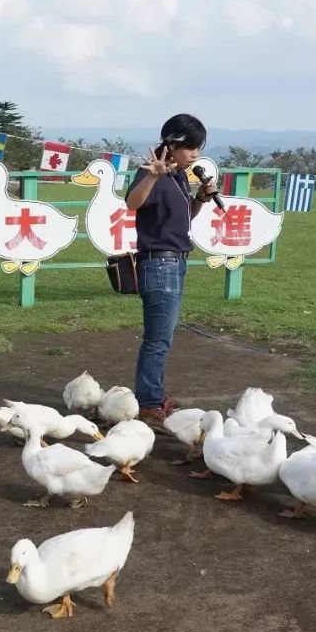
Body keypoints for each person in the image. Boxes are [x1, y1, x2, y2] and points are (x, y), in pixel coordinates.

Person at [124, 114, 217, 428]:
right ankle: (149, 403)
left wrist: (201, 199)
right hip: (159, 263)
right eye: (190, 147)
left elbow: (184, 216)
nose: (195, 154)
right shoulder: (152, 172)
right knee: (157, 339)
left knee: (162, 338)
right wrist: (152, 176)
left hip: (175, 261)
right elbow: (132, 203)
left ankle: (153, 394)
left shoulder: (178, 176)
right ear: (173, 144)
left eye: (198, 148)